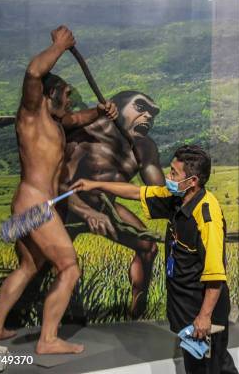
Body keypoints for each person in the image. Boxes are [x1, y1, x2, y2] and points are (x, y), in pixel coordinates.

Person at [0, 26, 118, 354]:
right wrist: (58, 46)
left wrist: (101, 112)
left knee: (29, 266)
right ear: (48, 94)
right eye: (66, 95)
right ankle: (48, 340)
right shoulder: (30, 115)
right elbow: (33, 72)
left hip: (33, 205)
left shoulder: (54, 123)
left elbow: (76, 119)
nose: (69, 101)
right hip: (34, 204)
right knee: (69, 267)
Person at [71, 145, 238, 374]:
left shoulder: (207, 217)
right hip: (185, 306)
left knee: (210, 368)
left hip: (202, 311)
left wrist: (204, 316)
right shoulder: (177, 196)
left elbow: (216, 274)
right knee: (204, 365)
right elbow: (136, 192)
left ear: (193, 181)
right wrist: (95, 185)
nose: (168, 177)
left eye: (174, 174)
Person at [59, 90, 162, 318]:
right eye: (141, 107)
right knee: (52, 264)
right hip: (67, 207)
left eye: (152, 113)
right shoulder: (85, 136)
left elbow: (159, 194)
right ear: (115, 107)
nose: (148, 116)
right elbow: (60, 185)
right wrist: (87, 213)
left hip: (106, 206)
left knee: (148, 246)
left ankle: (136, 313)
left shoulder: (145, 148)